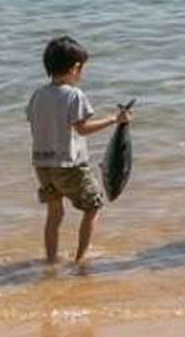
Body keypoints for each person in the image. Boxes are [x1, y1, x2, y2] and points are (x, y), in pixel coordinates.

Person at [28, 35, 130, 263]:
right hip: (69, 165)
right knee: (93, 207)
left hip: (42, 165)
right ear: (76, 68)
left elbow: (34, 122)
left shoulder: (38, 95)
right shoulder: (74, 95)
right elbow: (82, 128)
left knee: (54, 214)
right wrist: (114, 119)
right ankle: (80, 258)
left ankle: (51, 259)